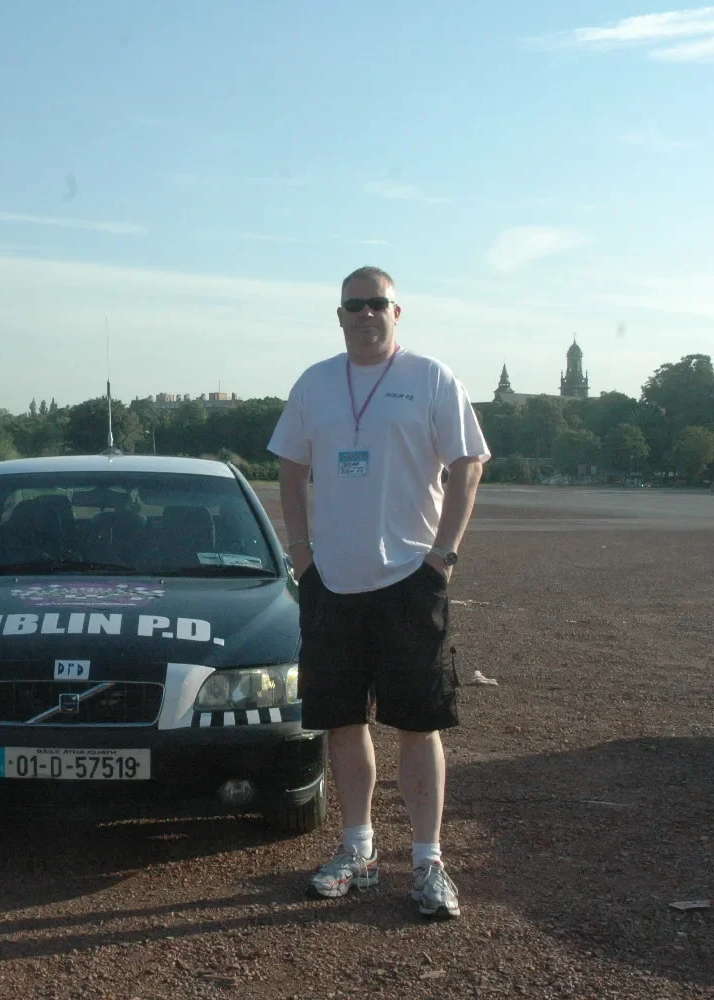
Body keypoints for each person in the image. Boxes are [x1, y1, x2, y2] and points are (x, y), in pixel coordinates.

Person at [267, 266, 488, 918]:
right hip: (332, 581)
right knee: (342, 721)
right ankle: (357, 852)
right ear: (339, 316)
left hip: (408, 580)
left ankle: (427, 863)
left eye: (378, 304)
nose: (366, 314)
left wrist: (443, 555)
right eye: (353, 305)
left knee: (419, 725)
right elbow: (289, 468)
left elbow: (469, 463)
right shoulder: (315, 383)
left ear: (399, 312)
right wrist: (302, 556)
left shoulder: (430, 379)